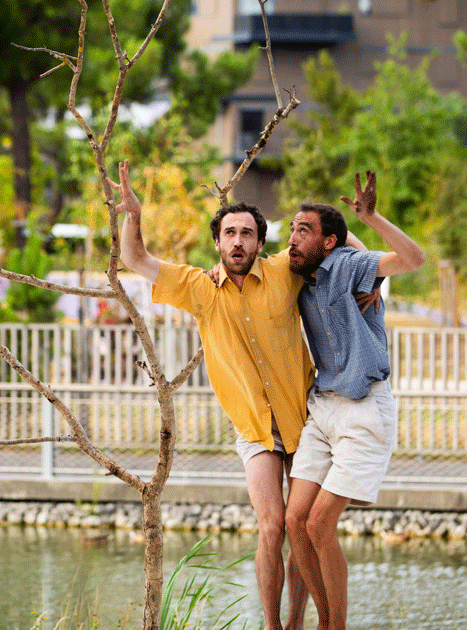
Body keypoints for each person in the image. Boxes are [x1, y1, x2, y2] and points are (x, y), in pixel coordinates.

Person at [113, 159, 324, 630]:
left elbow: (337, 248)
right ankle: (272, 627)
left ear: (259, 242)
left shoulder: (284, 272)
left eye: (247, 233)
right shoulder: (199, 287)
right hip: (252, 425)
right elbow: (136, 259)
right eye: (230, 233)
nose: (238, 241)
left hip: (306, 420)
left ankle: (296, 624)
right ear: (217, 242)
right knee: (271, 526)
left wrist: (345, 228)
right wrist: (133, 215)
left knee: (303, 528)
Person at [283, 171, 425, 630]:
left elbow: (413, 258)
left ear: (329, 243)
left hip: (364, 407)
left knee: (320, 524)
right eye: (291, 229)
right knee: (294, 521)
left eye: (302, 230)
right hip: (323, 407)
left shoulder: (348, 265)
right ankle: (323, 622)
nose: (292, 238)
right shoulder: (298, 277)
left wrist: (370, 218)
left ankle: (334, 627)